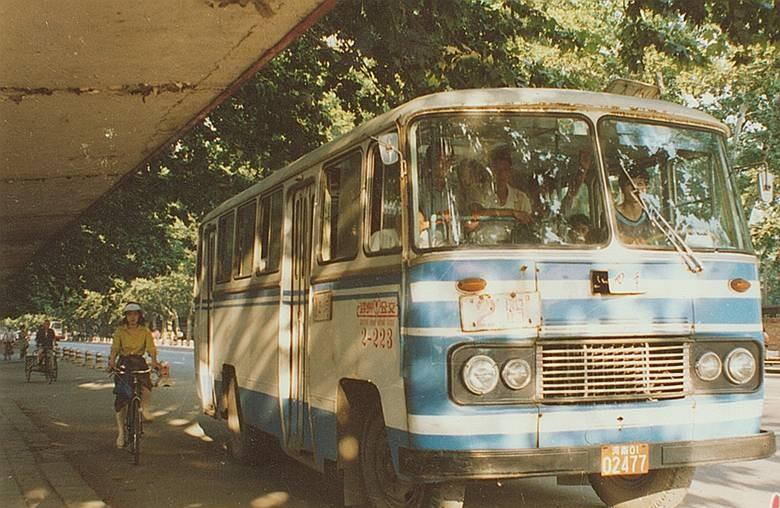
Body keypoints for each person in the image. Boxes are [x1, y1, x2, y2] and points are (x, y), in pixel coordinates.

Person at [109, 302, 160, 448]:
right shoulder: (120, 331)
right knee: (121, 398)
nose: (132, 317)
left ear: (139, 316)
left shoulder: (145, 331)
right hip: (124, 362)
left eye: (135, 314)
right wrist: (111, 362)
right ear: (125, 316)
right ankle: (121, 433)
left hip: (139, 361)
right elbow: (115, 348)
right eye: (129, 314)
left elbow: (151, 348)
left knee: (146, 384)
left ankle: (145, 409)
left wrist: (155, 362)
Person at [465, 145, 533, 243]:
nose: (500, 174)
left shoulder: (521, 197)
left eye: (504, 170)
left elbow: (529, 223)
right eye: (496, 170)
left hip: (512, 248)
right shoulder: (477, 191)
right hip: (481, 248)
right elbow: (477, 214)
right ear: (490, 172)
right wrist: (513, 213)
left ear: (510, 171)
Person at [615, 168, 656, 244]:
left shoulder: (651, 214)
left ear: (645, 188)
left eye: (640, 184)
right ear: (622, 189)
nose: (635, 188)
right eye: (629, 184)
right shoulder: (612, 215)